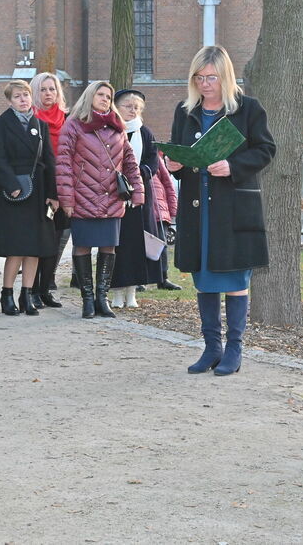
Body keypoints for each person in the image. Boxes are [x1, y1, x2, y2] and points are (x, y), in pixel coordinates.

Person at [166, 45, 276, 376]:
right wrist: (174, 164)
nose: (204, 84)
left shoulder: (248, 109)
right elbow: (180, 153)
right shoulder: (184, 111)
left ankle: (234, 349)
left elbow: (266, 149)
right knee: (205, 279)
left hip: (232, 209)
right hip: (197, 209)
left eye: (210, 77)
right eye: (198, 77)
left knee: (234, 278)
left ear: (225, 76)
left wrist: (233, 165)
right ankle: (211, 347)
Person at [56, 81, 144, 319]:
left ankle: (101, 298)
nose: (105, 99)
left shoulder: (118, 127)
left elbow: (129, 162)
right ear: (90, 97)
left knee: (109, 247)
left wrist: (138, 191)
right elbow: (63, 164)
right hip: (82, 196)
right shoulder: (73, 126)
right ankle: (86, 299)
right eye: (101, 94)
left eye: (108, 95)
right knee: (82, 245)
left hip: (112, 197)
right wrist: (67, 198)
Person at [0, 80, 58, 316]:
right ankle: (7, 293)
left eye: (26, 95)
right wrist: (11, 185)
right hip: (14, 192)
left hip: (38, 190)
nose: (23, 100)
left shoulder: (40, 125)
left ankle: (27, 294)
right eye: (18, 96)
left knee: (35, 248)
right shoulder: (0, 125)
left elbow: (49, 161)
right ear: (9, 101)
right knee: (16, 247)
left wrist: (53, 194)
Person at [110, 89, 162, 309]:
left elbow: (153, 160)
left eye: (137, 108)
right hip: (115, 193)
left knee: (136, 245)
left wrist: (141, 172)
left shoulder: (145, 133)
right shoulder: (110, 130)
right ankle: (115, 291)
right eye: (128, 106)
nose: (133, 111)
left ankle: (132, 291)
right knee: (116, 244)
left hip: (139, 196)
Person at [31, 71, 69, 309]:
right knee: (38, 241)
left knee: (56, 240)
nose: (48, 94)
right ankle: (32, 289)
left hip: (62, 186)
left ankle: (46, 287)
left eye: (52, 89)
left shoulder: (67, 119)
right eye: (43, 89)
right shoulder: (31, 119)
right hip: (39, 188)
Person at [152, 152, 182, 291]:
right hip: (139, 206)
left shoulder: (156, 158)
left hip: (159, 208)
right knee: (140, 245)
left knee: (161, 244)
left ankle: (163, 278)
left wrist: (172, 210)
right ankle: (140, 279)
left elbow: (168, 184)